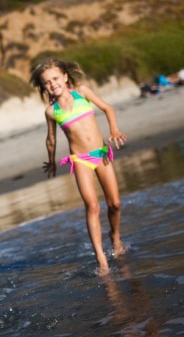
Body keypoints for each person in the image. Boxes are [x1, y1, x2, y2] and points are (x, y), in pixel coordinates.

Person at [30, 58, 127, 274]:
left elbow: (107, 108)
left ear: (65, 77)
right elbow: (51, 139)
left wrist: (114, 130)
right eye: (47, 82)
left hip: (101, 154)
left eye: (55, 78)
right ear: (44, 87)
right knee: (92, 206)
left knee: (116, 204)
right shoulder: (51, 111)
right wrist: (51, 160)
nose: (52, 84)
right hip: (80, 159)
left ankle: (115, 236)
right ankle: (101, 257)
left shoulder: (82, 92)